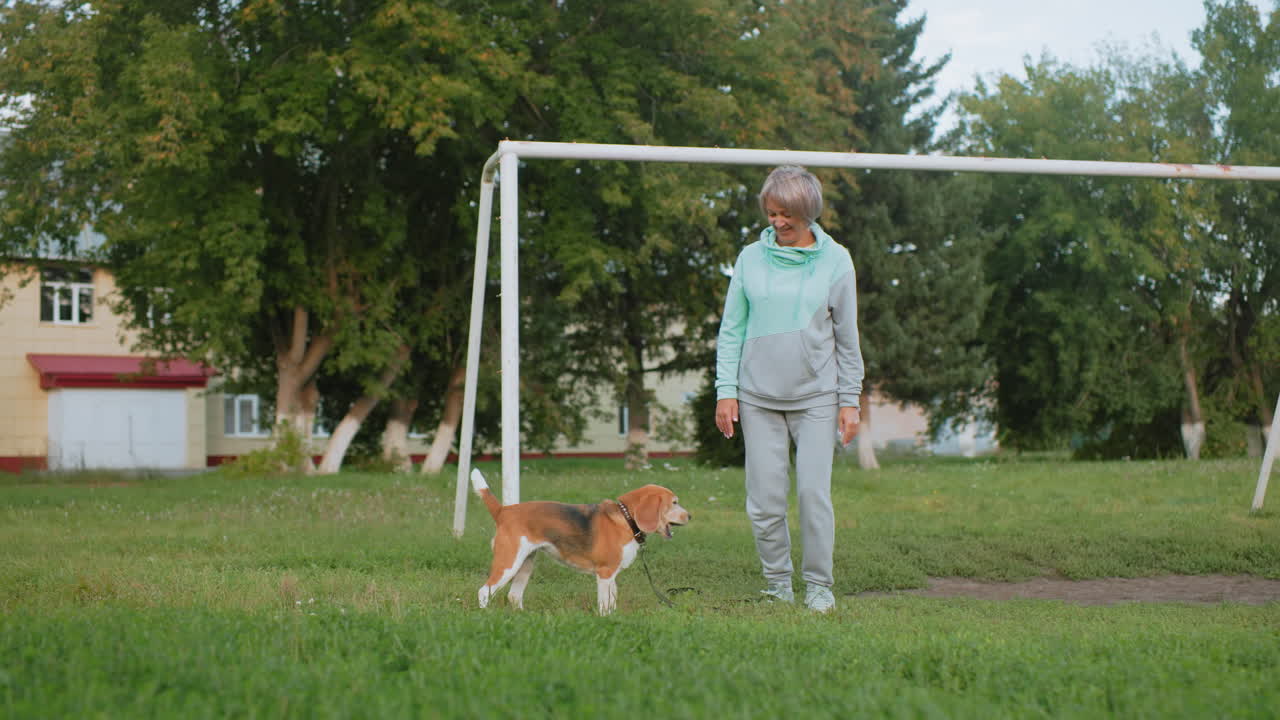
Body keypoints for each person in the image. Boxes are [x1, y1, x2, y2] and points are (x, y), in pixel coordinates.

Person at [713, 165, 864, 613]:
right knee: (763, 500)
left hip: (817, 396)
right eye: (771, 212)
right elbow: (731, 329)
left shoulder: (836, 260)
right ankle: (777, 584)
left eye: (787, 215)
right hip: (757, 397)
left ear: (808, 212)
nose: (777, 222)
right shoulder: (749, 259)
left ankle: (819, 587)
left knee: (813, 496)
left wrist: (849, 401)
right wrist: (726, 390)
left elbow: (847, 336)